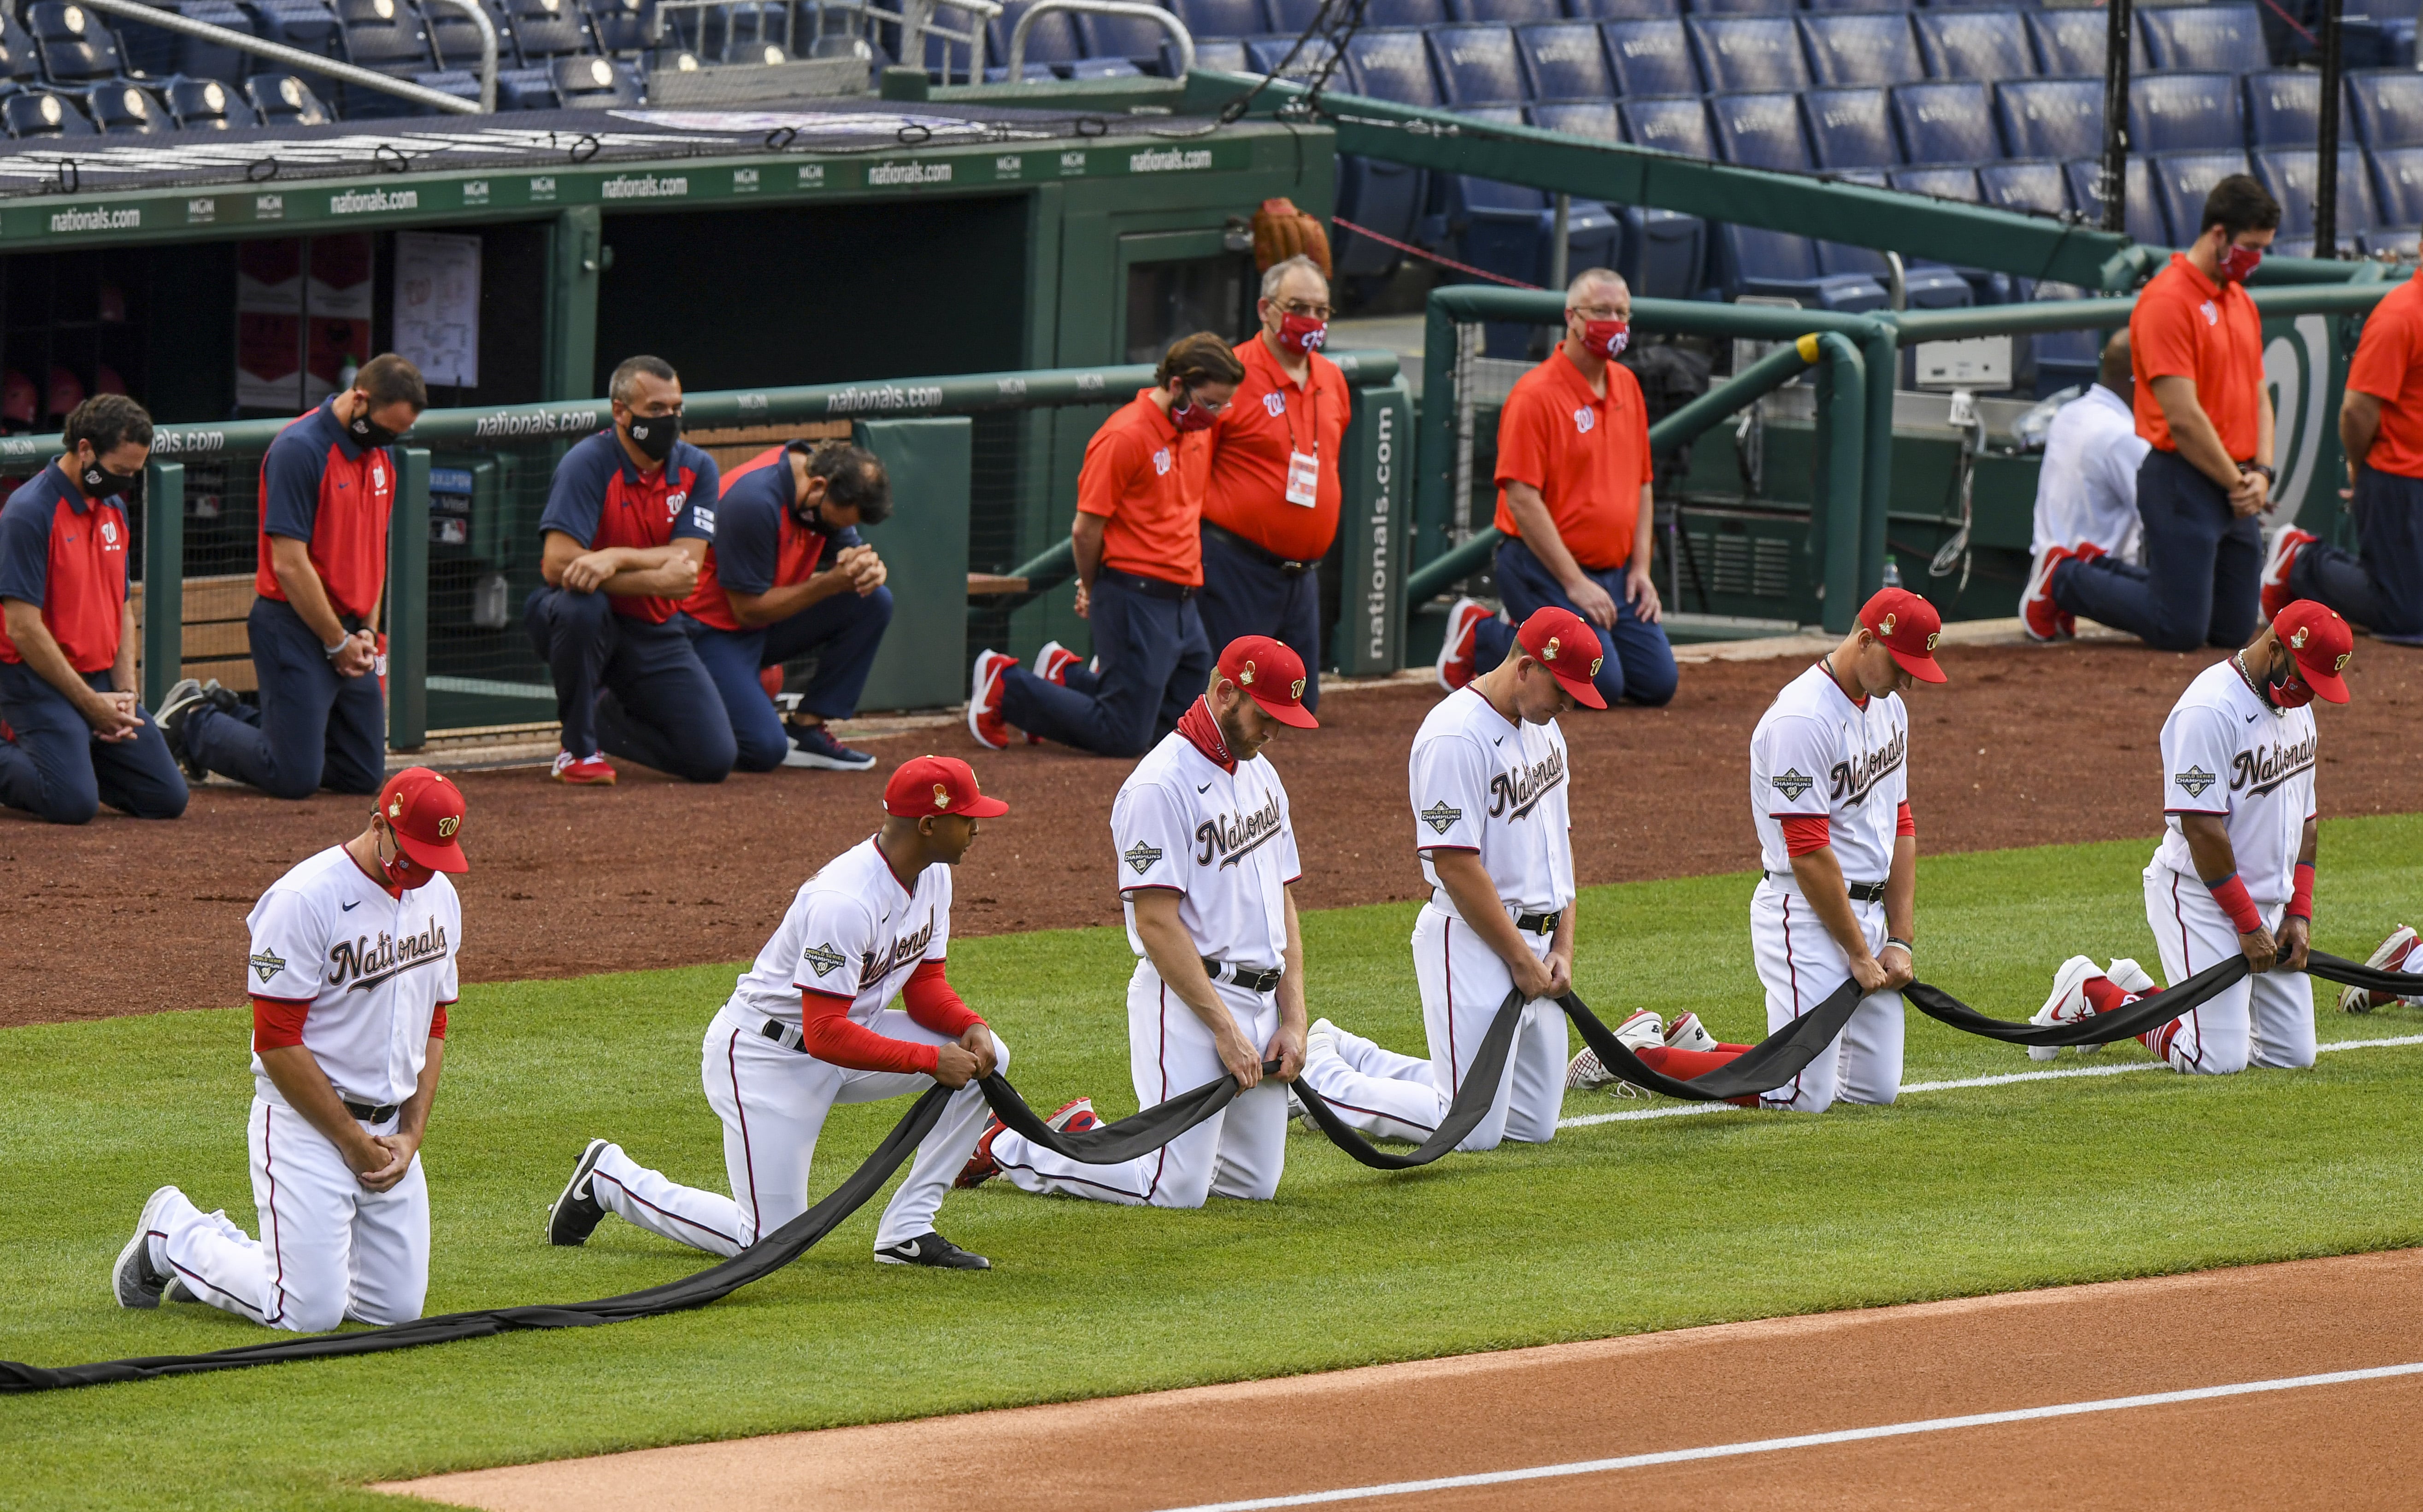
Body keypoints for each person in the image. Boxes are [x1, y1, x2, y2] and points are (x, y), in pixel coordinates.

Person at [546, 755, 1011, 1269]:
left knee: (987, 1059)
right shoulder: (844, 901)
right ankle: (611, 1179)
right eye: (966, 816)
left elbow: (924, 985)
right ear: (927, 825)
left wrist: (971, 1024)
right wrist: (928, 1059)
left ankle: (908, 1230)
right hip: (767, 1058)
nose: (976, 827)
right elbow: (825, 1034)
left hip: (848, 1035)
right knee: (770, 1243)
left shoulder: (933, 875)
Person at [958, 635, 1316, 1207]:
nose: (1274, 733)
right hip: (1186, 1002)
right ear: (1226, 693)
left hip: (1261, 1000)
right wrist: (1224, 1029)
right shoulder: (1157, 786)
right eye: (1266, 717)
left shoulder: (1262, 775)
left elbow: (1283, 900)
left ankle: (1089, 1134)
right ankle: (1020, 1145)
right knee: (1172, 1189)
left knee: (1252, 1186)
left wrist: (1294, 1018)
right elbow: (1154, 922)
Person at [111, 767, 468, 1329]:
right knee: (306, 1313)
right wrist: (351, 1141)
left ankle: (251, 1262)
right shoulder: (304, 898)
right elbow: (276, 1040)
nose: (424, 871)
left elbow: (436, 1018)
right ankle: (173, 1232)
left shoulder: (438, 895)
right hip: (305, 1123)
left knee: (392, 1311)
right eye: (416, 854)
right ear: (380, 825)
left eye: (436, 857)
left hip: (391, 1123)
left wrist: (412, 1132)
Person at [1297, 607, 1597, 1152]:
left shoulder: (1545, 731)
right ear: (1526, 667)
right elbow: (1454, 864)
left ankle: (1355, 1053)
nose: (1569, 703)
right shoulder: (1453, 736)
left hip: (1537, 944)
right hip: (1473, 943)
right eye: (1564, 688)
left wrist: (1563, 946)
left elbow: (1560, 841)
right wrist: (1518, 958)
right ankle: (1321, 1079)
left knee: (1530, 1123)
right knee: (1471, 1129)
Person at [2030, 602, 2354, 1075]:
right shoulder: (2209, 709)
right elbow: (2201, 826)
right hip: (2200, 898)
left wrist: (2298, 913)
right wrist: (2246, 924)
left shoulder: (2297, 711)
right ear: (2276, 648)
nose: (2309, 695)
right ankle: (2093, 991)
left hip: (2271, 904)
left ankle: (2137, 994)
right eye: (2305, 678)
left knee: (2291, 1056)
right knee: (2215, 1060)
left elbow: (2307, 819)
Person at [968, 333, 1245, 758]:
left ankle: (1068, 678)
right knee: (1124, 736)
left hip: (1184, 599)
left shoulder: (1194, 430)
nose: (1217, 415)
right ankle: (1006, 685)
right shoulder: (1124, 435)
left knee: (1183, 731)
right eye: (1210, 403)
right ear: (1176, 386)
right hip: (1134, 593)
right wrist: (1093, 587)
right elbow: (1085, 529)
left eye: (1223, 405)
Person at [2033, 175, 2280, 653]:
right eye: (2249, 246)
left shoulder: (2239, 302)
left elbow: (2258, 395)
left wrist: (2262, 474)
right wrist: (2237, 485)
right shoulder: (2166, 300)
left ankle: (2089, 564)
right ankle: (2063, 575)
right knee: (2179, 630)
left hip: (2237, 482)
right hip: (2181, 479)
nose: (2255, 259)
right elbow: (2182, 417)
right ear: (2217, 234)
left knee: (2230, 631)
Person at [162, 355, 427, 800]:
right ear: (359, 400)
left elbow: (373, 554)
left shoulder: (381, 458)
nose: (388, 441)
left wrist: (366, 629)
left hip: (348, 627)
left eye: (398, 434)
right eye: (385, 429)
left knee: (362, 774)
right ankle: (195, 723)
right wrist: (336, 643)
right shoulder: (300, 449)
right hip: (293, 623)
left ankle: (239, 723)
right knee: (293, 777)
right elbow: (288, 563)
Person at [1737, 588, 1943, 1113]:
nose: (1908, 682)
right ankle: (1654, 1055)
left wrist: (1900, 938)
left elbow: (1901, 819)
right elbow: (1806, 850)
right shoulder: (1801, 720)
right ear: (1865, 639)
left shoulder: (1889, 709)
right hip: (1805, 914)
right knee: (1800, 1095)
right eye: (1901, 665)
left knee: (1874, 1091)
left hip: (1871, 914)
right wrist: (1856, 952)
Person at [1435, 269, 1676, 710]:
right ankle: (1483, 633)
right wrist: (1574, 582)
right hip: (1541, 565)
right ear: (1572, 317)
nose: (1613, 322)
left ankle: (1531, 629)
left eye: (1622, 312)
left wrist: (1641, 569)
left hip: (1614, 572)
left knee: (1658, 684)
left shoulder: (1627, 386)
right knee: (1603, 686)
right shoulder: (1536, 394)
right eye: (1601, 311)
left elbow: (1643, 484)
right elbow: (1521, 498)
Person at [525, 355, 730, 786]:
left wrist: (613, 557)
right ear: (621, 412)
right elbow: (559, 563)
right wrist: (655, 572)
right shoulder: (589, 461)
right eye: (656, 409)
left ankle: (602, 718)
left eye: (676, 408)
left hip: (655, 630)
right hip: (585, 621)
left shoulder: (699, 467)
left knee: (714, 759)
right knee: (581, 604)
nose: (669, 419)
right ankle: (577, 749)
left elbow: (686, 567)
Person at [0, 394, 186, 824]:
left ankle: (73, 755)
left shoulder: (113, 508)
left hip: (100, 676)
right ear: (85, 449)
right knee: (72, 804)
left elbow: (122, 608)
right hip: (37, 681)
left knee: (167, 796)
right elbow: (23, 628)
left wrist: (126, 696)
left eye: (134, 473)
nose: (126, 482)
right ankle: (66, 760)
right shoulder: (29, 512)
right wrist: (88, 705)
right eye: (121, 471)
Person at [1195, 255, 1353, 715]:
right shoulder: (1232, 374)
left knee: (1298, 705)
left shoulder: (1332, 379)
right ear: (1265, 308)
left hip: (1301, 578)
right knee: (1229, 706)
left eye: (1321, 310)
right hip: (1235, 566)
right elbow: (1193, 473)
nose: (1311, 320)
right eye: (1298, 306)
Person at [680, 440, 894, 772]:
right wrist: (829, 583)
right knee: (764, 749)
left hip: (762, 626)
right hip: (708, 631)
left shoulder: (822, 491)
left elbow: (850, 552)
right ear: (820, 486)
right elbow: (747, 611)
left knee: (874, 599)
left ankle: (807, 728)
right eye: (835, 523)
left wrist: (869, 570)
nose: (837, 530)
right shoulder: (754, 500)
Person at [2258, 262, 2423, 644]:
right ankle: (2302, 559)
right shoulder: (2401, 313)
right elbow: (2356, 409)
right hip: (2398, 475)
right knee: (2405, 616)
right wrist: (2360, 465)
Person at [2020, 329, 2151, 642]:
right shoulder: (2125, 436)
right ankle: (2069, 577)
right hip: (2096, 581)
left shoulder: (2070, 412)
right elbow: (2160, 519)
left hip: (2054, 558)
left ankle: (2071, 574)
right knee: (2180, 615)